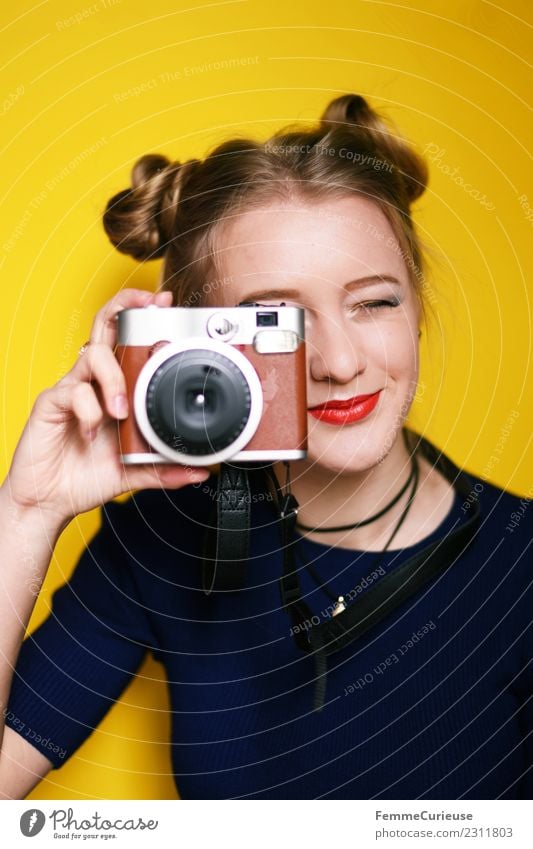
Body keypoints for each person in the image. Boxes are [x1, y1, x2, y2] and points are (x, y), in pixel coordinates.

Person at [0, 94, 531, 800]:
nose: (338, 361)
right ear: (197, 343)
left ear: (418, 306)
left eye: (374, 302)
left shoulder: (517, 563)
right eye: (274, 319)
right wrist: (28, 510)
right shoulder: (160, 538)